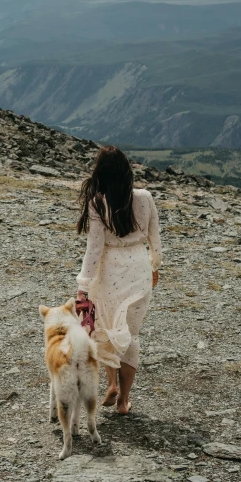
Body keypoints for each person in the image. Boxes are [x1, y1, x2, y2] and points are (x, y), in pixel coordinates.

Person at [76, 145, 162, 415]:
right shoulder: (145, 197)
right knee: (130, 335)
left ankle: (111, 385)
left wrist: (83, 286)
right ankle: (124, 400)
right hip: (139, 270)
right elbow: (155, 236)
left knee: (108, 328)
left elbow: (94, 249)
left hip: (108, 271)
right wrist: (155, 266)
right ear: (126, 171)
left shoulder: (97, 202)